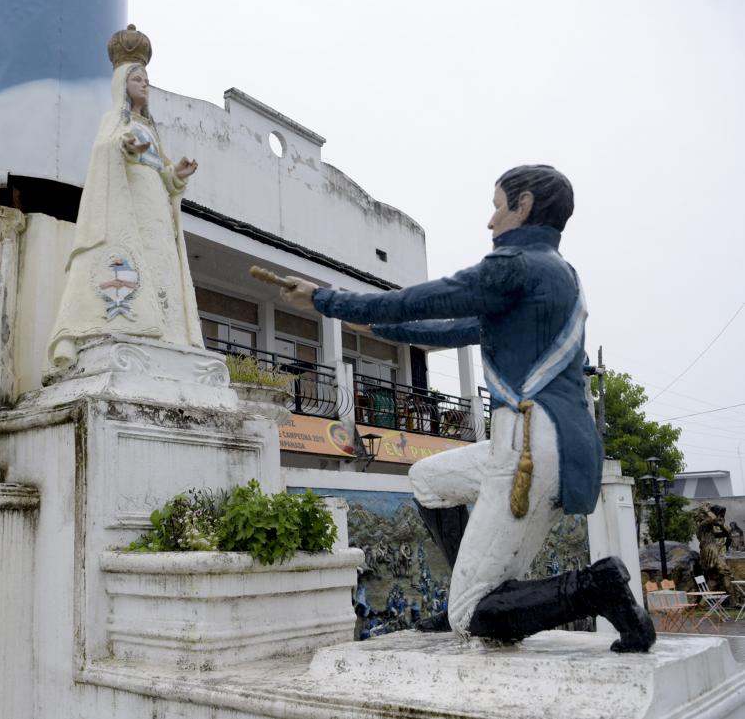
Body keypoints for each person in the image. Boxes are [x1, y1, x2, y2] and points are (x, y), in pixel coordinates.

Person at [280, 165, 655, 652]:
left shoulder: (515, 265)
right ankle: (473, 589)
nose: (490, 220)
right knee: (428, 481)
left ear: (523, 205)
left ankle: (597, 587)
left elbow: (432, 298)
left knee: (470, 615)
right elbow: (456, 328)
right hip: (537, 440)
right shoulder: (558, 275)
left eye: (497, 205)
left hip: (527, 447)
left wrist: (328, 300)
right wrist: (381, 329)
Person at [48, 25, 203, 371]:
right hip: (126, 203)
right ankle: (131, 325)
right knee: (135, 260)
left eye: (146, 80)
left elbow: (163, 173)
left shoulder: (150, 127)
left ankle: (170, 332)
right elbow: (106, 149)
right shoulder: (113, 122)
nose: (144, 85)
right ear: (122, 85)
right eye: (137, 80)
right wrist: (125, 147)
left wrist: (175, 174)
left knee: (163, 262)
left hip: (156, 207)